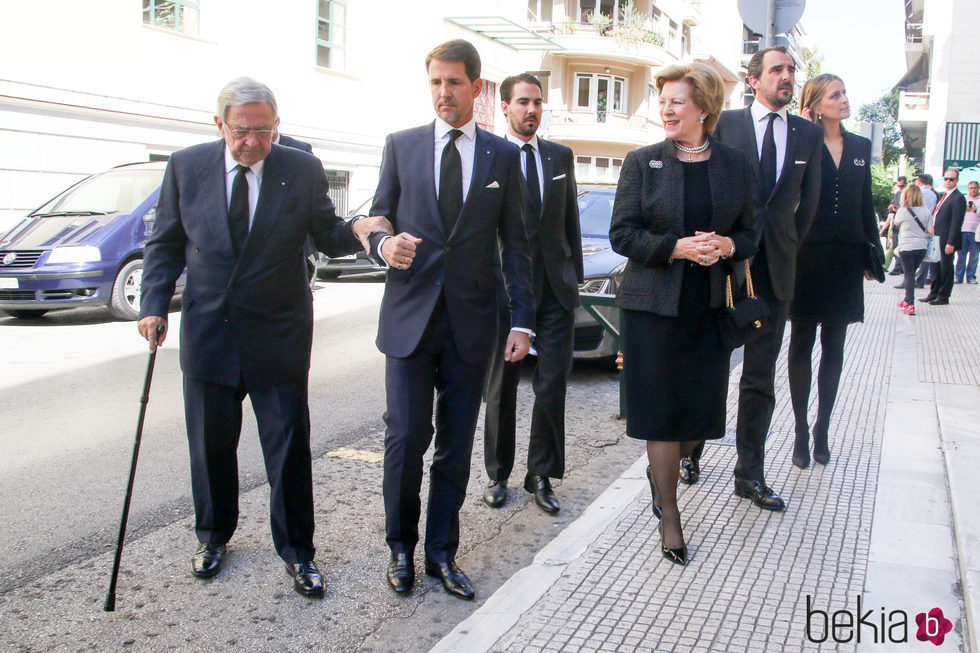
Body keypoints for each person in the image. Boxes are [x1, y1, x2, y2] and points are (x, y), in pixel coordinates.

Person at [136, 77, 390, 598]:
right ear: (219, 125)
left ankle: (299, 552)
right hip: (210, 333)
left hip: (278, 334)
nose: (251, 142)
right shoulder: (186, 167)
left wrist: (364, 229)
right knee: (209, 448)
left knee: (288, 449)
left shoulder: (300, 169)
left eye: (263, 131)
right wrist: (153, 306)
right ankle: (213, 536)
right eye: (241, 131)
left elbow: (326, 234)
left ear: (277, 126)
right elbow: (165, 243)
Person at [369, 40, 534, 600]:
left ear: (476, 88)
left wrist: (523, 322)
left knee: (456, 444)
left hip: (472, 324)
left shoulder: (501, 157)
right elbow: (376, 214)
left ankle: (441, 552)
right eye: (436, 82)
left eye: (455, 82)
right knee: (406, 437)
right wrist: (384, 243)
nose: (444, 92)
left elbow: (518, 246)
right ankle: (400, 548)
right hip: (410, 320)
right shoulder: (401, 145)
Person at [609, 62, 759, 565]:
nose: (667, 109)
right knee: (661, 414)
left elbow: (751, 233)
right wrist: (675, 248)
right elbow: (622, 235)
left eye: (677, 101)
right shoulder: (642, 162)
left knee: (700, 414)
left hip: (708, 307)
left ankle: (666, 469)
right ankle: (670, 517)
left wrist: (726, 244)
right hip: (652, 308)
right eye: (663, 100)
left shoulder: (736, 164)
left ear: (705, 108)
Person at [689, 46, 823, 511]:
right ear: (754, 80)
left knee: (760, 378)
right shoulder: (725, 126)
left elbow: (809, 206)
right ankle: (692, 449)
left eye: (791, 70)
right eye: (777, 70)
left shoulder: (808, 134)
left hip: (776, 276)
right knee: (708, 366)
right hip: (723, 269)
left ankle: (750, 473)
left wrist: (783, 246)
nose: (787, 77)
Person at [481, 74, 583, 515]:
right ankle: (497, 473)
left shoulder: (560, 156)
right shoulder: (489, 157)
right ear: (504, 106)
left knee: (552, 385)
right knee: (501, 386)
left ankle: (541, 473)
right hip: (506, 291)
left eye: (538, 102)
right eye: (523, 102)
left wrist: (573, 275)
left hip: (556, 290)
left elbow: (569, 220)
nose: (531, 110)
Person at [786, 74, 884, 469]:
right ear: (815, 103)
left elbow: (865, 205)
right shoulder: (803, 143)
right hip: (806, 256)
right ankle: (799, 430)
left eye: (845, 93)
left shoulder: (860, 145)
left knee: (835, 347)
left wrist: (871, 255)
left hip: (845, 256)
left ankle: (822, 427)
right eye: (835, 95)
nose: (844, 100)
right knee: (801, 343)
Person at [921, 168, 967, 305]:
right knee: (935, 266)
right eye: (946, 178)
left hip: (946, 238)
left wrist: (951, 242)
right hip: (937, 237)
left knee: (946, 267)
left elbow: (956, 222)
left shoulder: (958, 198)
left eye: (951, 179)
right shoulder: (945, 195)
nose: (948, 181)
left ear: (957, 181)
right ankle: (934, 292)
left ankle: (944, 295)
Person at [893, 184, 934, 315]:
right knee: (911, 272)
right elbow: (931, 230)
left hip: (906, 247)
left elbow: (896, 224)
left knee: (909, 274)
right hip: (921, 247)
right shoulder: (926, 210)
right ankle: (906, 300)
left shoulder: (903, 211)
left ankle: (910, 303)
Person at [954, 181, 979, 284]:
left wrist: (976, 210)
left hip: (976, 232)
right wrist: (964, 209)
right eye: (971, 188)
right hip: (963, 230)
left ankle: (971, 276)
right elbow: (956, 212)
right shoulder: (964, 198)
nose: (973, 190)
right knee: (961, 255)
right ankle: (958, 277)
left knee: (974, 256)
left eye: (975, 188)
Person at [882, 176, 907, 277]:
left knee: (897, 247)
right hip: (897, 224)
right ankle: (896, 267)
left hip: (900, 224)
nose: (899, 188)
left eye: (901, 186)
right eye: (898, 186)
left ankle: (897, 267)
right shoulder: (899, 194)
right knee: (895, 247)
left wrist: (896, 209)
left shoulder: (904, 194)